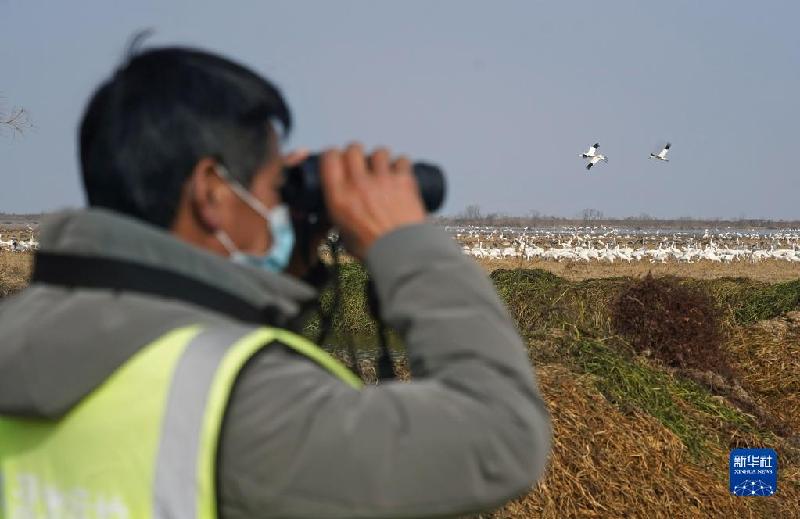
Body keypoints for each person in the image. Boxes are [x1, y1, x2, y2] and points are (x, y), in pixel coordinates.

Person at [0, 42, 551, 518]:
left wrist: (284, 278)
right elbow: (500, 436)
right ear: (213, 192)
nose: (282, 210)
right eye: (273, 188)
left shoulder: (19, 331)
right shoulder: (243, 404)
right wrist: (404, 240)